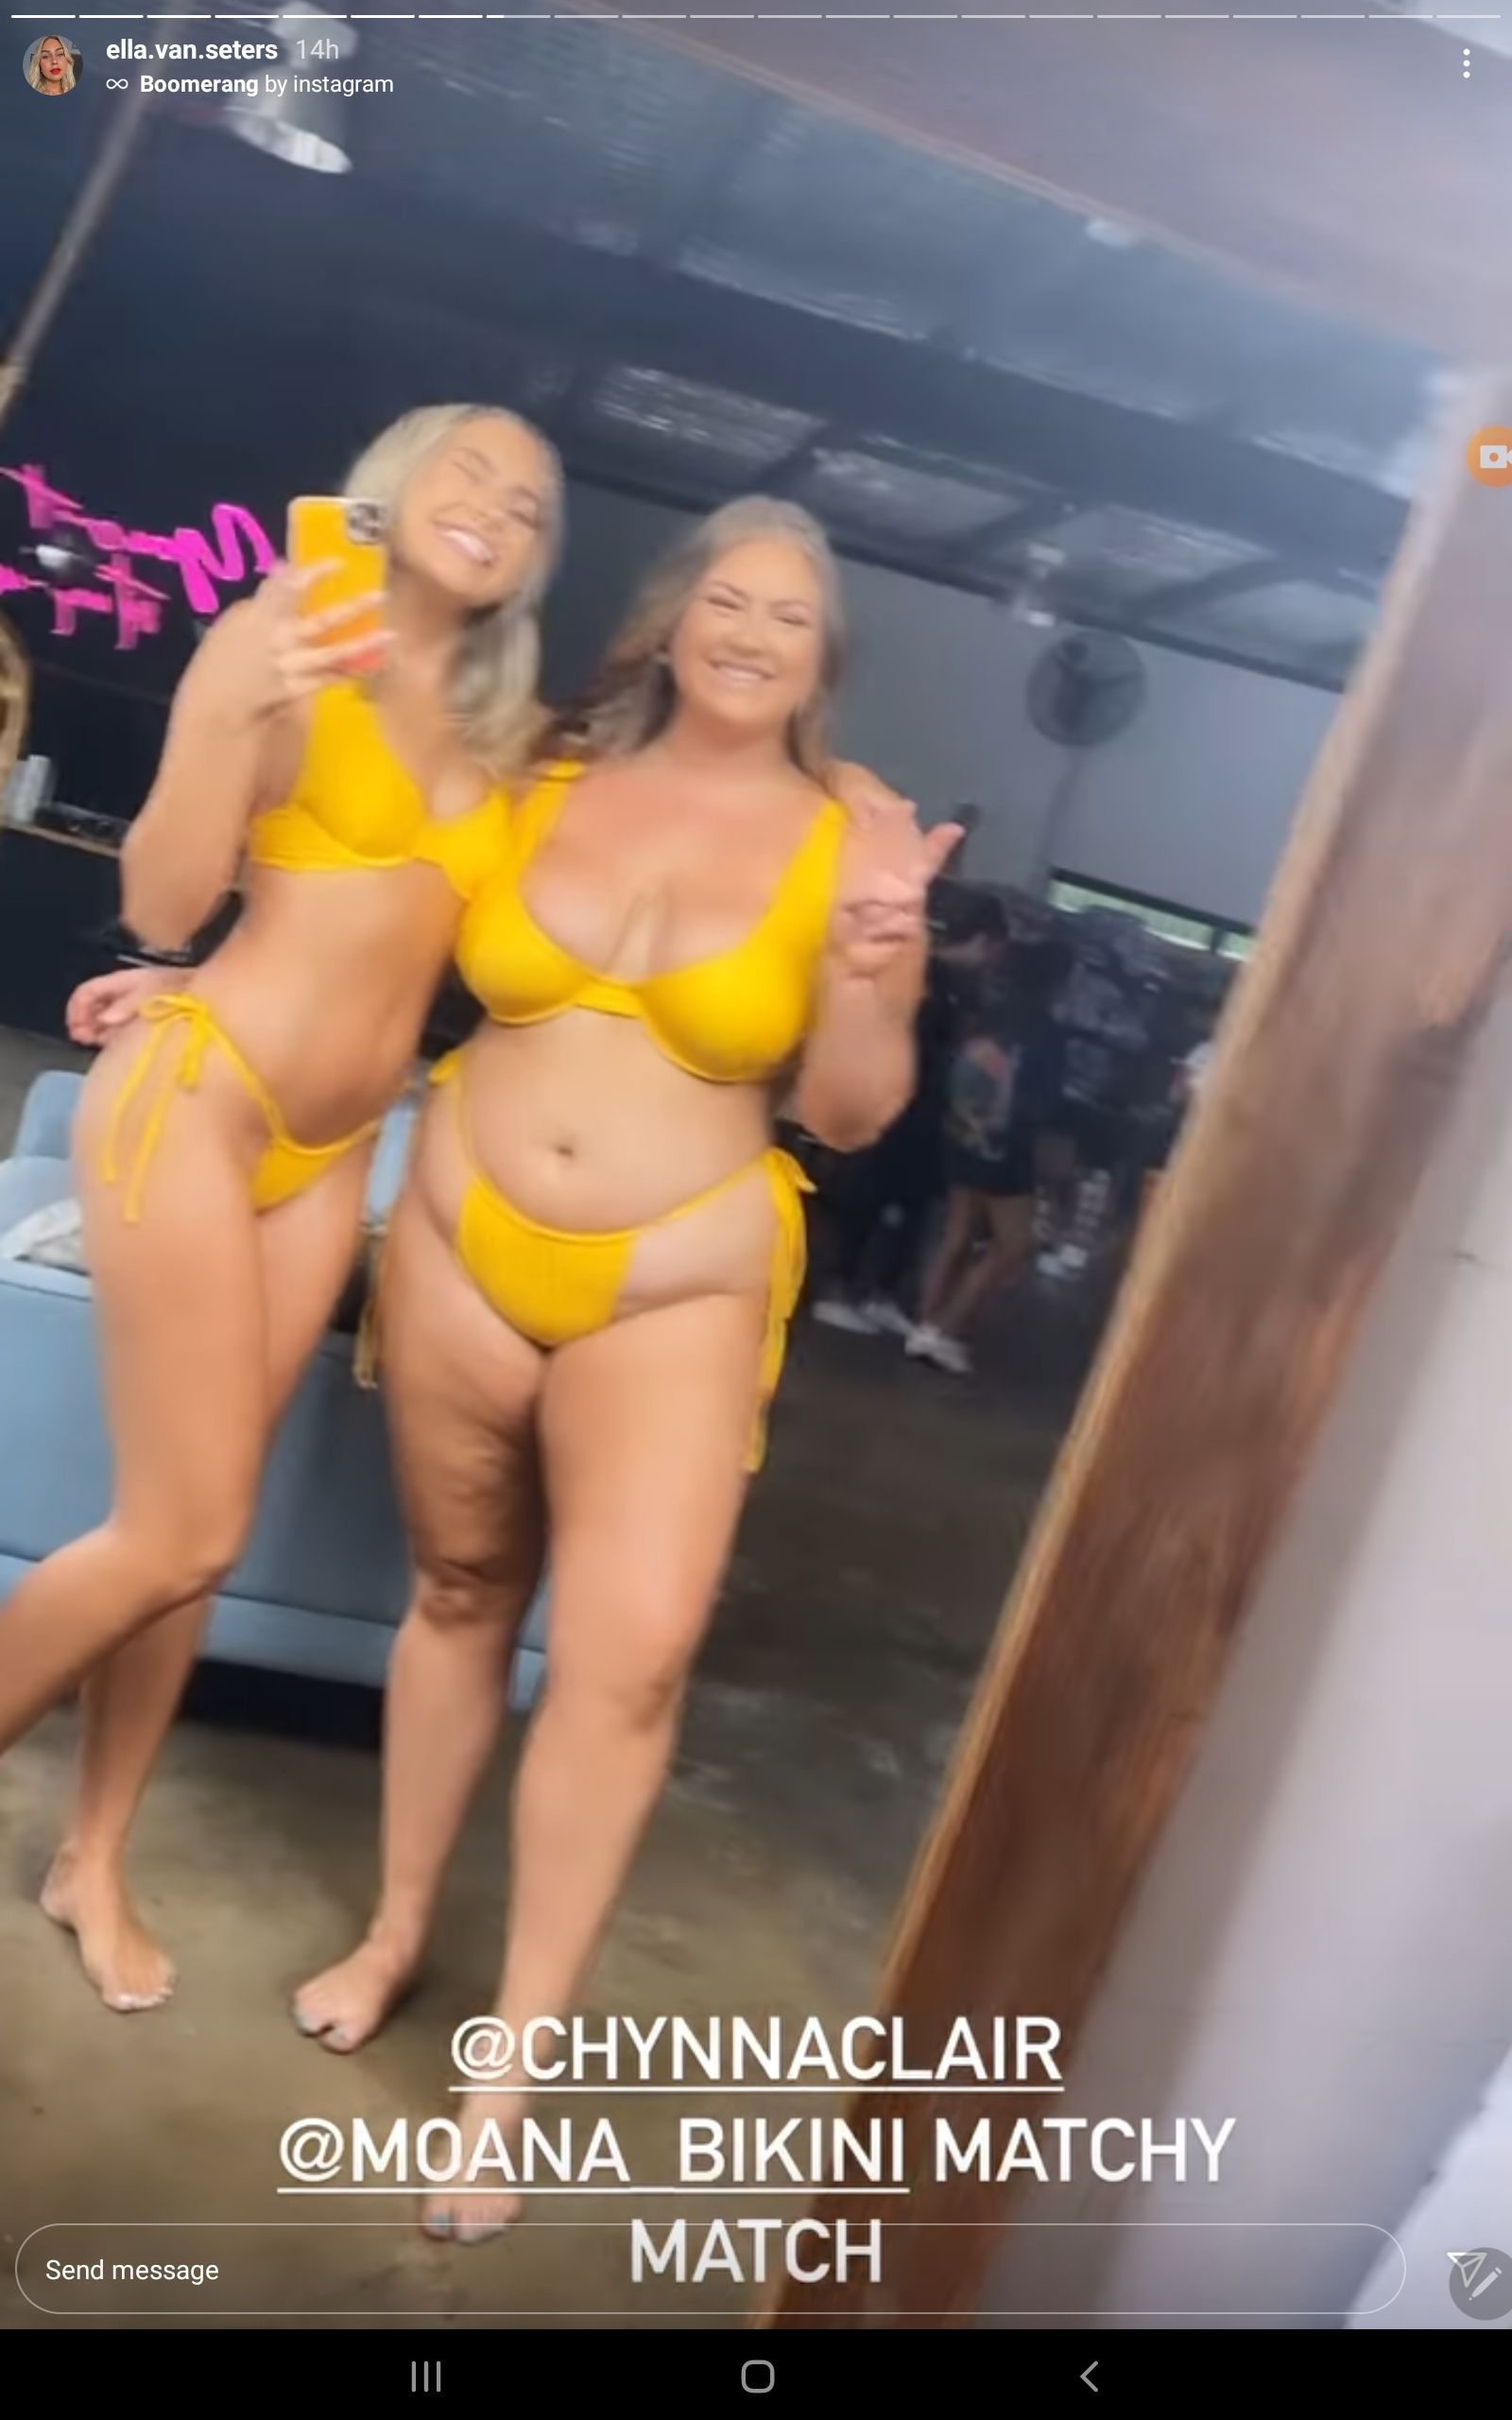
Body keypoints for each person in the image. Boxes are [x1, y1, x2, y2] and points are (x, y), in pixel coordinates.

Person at [286, 497, 959, 2243]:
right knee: (455, 1593)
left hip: (676, 1286)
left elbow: (850, 1113)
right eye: (727, 599)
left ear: (823, 656)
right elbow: (367, 927)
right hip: (459, 1240)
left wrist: (875, 969)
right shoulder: (550, 773)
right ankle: (394, 1931)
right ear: (670, 620)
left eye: (790, 615)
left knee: (630, 1661)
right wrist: (202, 1001)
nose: (752, 633)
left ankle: (504, 2076)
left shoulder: (856, 831)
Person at [0, 405, 563, 2013]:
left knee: (196, 1541)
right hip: (203, 1095)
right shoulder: (283, 638)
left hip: (333, 1147)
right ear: (393, 480)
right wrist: (231, 709)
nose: (496, 505)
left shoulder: (511, 738)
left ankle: (92, 1855)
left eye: (529, 503)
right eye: (468, 468)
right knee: (180, 1526)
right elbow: (164, 901)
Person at [809, 889, 1004, 1336]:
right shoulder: (921, 975)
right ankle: (836, 1289)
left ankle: (878, 1293)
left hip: (929, 1112)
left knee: (911, 1205)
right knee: (867, 1196)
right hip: (893, 1103)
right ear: (983, 940)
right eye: (994, 949)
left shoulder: (965, 990)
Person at [905, 937, 1066, 1375]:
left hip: (962, 1136)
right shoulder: (1048, 1034)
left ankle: (923, 1328)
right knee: (1012, 1245)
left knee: (956, 1235)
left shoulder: (988, 1016)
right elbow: (1042, 1104)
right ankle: (945, 1331)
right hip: (1007, 1151)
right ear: (1056, 983)